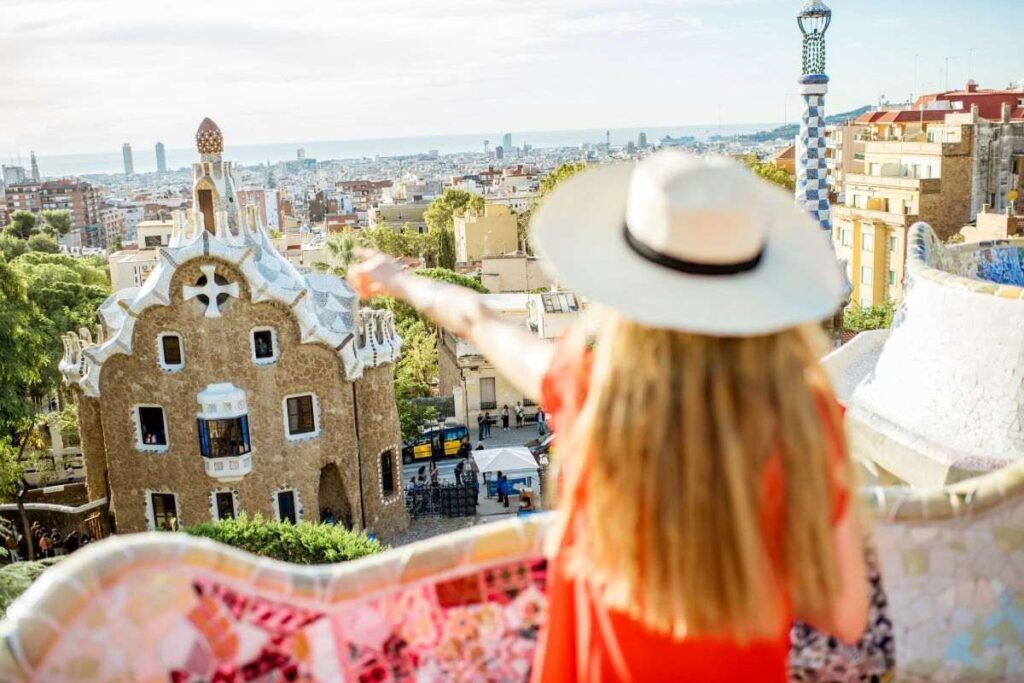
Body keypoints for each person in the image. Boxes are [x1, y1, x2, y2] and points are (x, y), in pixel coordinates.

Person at [347, 151, 869, 682]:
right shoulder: (810, 420)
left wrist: (397, 279)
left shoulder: (594, 396)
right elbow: (844, 614)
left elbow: (475, 319)